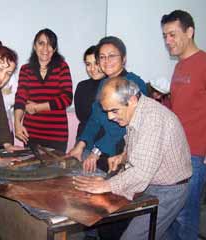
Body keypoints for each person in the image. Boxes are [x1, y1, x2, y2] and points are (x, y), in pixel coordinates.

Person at [73, 76, 192, 240]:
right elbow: (140, 146)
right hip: (152, 182)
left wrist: (107, 184)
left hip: (169, 189)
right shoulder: (136, 111)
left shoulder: (153, 120)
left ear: (132, 100)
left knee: (134, 236)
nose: (110, 117)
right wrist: (123, 157)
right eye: (107, 112)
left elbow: (141, 172)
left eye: (114, 111)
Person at [68, 36, 147, 173]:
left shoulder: (134, 84)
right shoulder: (104, 84)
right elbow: (94, 119)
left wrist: (95, 152)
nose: (106, 61)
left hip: (122, 152)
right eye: (102, 57)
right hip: (101, 149)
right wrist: (80, 145)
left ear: (123, 58)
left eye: (112, 56)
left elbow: (120, 129)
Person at [161, 10, 206, 240]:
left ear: (189, 32)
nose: (168, 41)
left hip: (195, 154)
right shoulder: (179, 66)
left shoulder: (205, 62)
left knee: (186, 217)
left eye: (172, 34)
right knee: (171, 214)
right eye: (165, 36)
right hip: (175, 150)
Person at [14, 28, 73, 152]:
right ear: (35, 46)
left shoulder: (62, 67)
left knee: (55, 171)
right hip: (31, 134)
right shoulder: (26, 69)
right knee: (32, 169)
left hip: (57, 135)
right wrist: (17, 123)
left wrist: (37, 107)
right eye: (41, 43)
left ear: (55, 49)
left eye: (50, 44)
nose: (46, 48)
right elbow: (20, 98)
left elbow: (67, 98)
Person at [75, 45, 105, 138]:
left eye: (96, 63)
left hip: (107, 142)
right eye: (88, 64)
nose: (92, 68)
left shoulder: (112, 85)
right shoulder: (81, 86)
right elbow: (82, 117)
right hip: (83, 139)